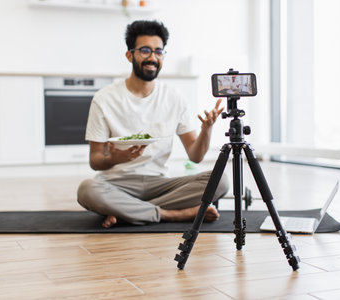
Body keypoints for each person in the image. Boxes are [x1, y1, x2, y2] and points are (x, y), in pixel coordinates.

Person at [77, 20, 229, 228]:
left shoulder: (175, 97)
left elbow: (195, 156)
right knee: (87, 189)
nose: (153, 58)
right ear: (130, 55)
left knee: (221, 180)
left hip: (160, 183)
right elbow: (95, 160)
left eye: (159, 51)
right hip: (117, 184)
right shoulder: (104, 98)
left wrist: (206, 130)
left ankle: (126, 212)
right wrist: (114, 157)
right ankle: (172, 214)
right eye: (145, 50)